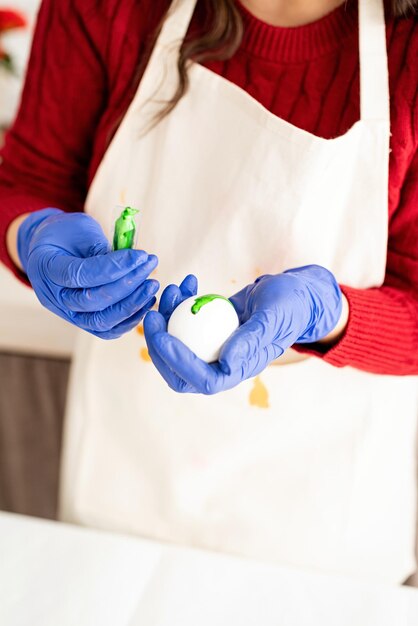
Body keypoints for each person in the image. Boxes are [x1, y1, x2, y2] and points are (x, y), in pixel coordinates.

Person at [1, 0, 418, 583]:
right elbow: (29, 179)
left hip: (323, 541)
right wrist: (32, 235)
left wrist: (331, 314)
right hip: (121, 500)